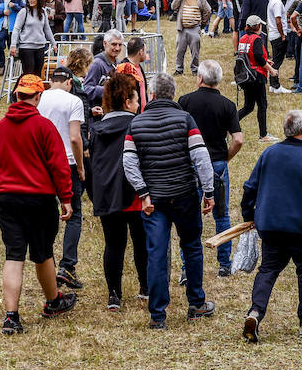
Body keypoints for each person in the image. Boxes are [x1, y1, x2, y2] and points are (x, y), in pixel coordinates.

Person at [0, 74, 77, 335]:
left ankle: (11, 316)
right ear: (37, 97)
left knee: (14, 254)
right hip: (40, 199)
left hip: (8, 199)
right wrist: (66, 198)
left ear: (17, 95)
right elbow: (59, 166)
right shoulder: (44, 127)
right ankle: (53, 301)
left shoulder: (0, 127)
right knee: (43, 254)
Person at [124, 72, 216, 329]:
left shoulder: (137, 123)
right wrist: (208, 192)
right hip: (185, 194)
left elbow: (129, 162)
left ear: (151, 94)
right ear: (172, 94)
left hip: (154, 199)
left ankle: (157, 315)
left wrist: (143, 193)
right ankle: (196, 303)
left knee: (156, 253)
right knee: (192, 247)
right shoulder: (185, 119)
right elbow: (201, 158)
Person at [240, 109, 302, 342]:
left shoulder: (269, 154)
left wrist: (249, 215)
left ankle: (255, 312)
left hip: (272, 227)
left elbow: (249, 188)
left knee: (268, 270)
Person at [180, 60, 245, 276]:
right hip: (217, 163)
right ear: (218, 80)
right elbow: (238, 139)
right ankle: (224, 265)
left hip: (191, 164)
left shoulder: (185, 101)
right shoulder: (227, 105)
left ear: (199, 78)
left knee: (190, 217)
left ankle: (186, 267)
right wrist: (226, 158)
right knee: (222, 215)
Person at [90, 72, 148, 310]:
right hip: (134, 194)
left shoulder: (96, 129)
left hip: (107, 193)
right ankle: (145, 286)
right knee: (141, 242)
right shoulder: (137, 126)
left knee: (113, 244)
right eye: (136, 100)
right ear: (127, 102)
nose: (138, 104)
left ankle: (114, 294)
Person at [36, 68, 88, 291]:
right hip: (67, 162)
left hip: (42, 163)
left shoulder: (39, 98)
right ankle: (67, 265)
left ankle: (48, 262)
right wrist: (81, 167)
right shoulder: (73, 100)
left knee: (47, 216)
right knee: (74, 213)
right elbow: (76, 138)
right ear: (68, 82)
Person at [236, 15, 273, 141]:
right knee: (262, 105)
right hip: (257, 76)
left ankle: (228, 126)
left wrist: (266, 61)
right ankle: (263, 135)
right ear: (258, 26)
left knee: (248, 106)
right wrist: (271, 69)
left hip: (246, 76)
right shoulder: (257, 39)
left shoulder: (242, 38)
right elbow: (258, 57)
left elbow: (248, 55)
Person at [9, 0, 52, 79]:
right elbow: (16, 29)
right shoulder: (23, 12)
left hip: (40, 47)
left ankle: (36, 92)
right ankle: (22, 91)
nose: (31, 0)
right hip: (26, 47)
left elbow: (47, 29)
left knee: (38, 74)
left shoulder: (43, 12)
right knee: (28, 74)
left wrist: (53, 43)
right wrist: (13, 45)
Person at [173, 0, 212, 76]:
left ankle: (195, 70)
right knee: (179, 50)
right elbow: (173, 7)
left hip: (195, 28)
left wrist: (202, 25)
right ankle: (179, 69)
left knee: (195, 51)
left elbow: (208, 11)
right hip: (182, 28)